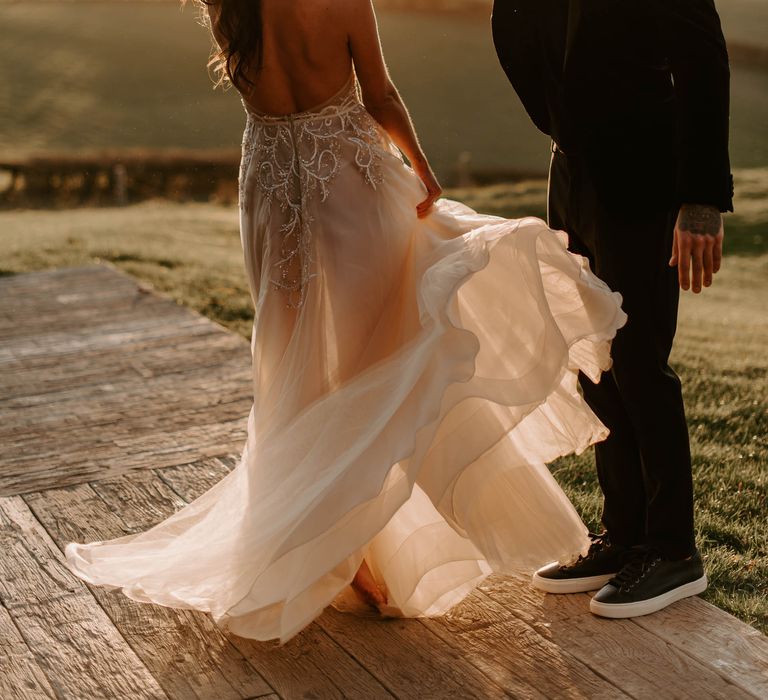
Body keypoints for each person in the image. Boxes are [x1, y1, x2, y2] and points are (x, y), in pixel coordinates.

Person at [64, 0, 627, 645]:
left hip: (272, 186)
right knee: (378, 352)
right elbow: (381, 96)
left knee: (289, 360)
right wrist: (423, 172)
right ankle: (354, 543)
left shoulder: (230, 7)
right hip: (349, 183)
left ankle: (334, 550)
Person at [491, 0, 733, 618]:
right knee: (593, 353)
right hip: (570, 169)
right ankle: (624, 536)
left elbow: (704, 57)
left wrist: (701, 199)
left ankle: (673, 548)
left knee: (638, 359)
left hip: (643, 173)